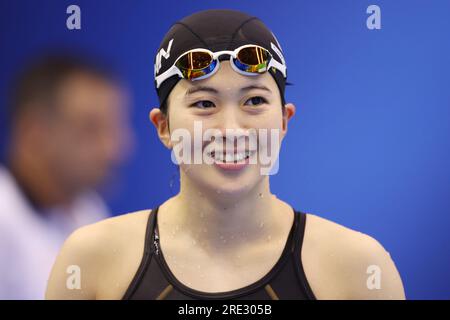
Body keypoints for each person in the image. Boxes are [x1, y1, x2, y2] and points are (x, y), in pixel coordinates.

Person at [46, 9, 405, 300]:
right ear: (164, 127)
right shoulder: (92, 261)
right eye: (204, 103)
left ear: (284, 120)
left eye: (254, 101)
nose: (231, 130)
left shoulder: (356, 269)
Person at [0, 53, 132, 299]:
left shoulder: (87, 210)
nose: (115, 149)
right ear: (33, 134)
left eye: (114, 127)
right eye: (91, 129)